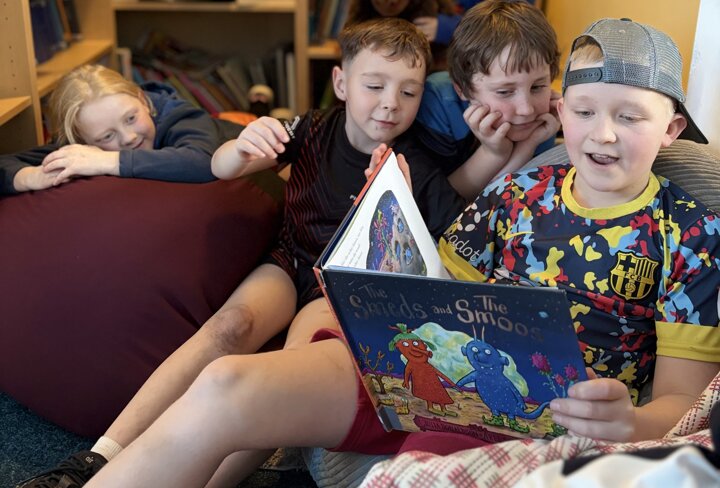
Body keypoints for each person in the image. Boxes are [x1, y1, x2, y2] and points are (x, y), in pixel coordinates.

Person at [73, 18, 718, 487]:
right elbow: (432, 287)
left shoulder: (692, 234)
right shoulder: (519, 190)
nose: (603, 135)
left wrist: (627, 423)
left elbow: (677, 407)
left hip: (547, 425)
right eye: (584, 111)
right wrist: (386, 234)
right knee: (225, 383)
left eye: (630, 117)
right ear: (562, 110)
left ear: (671, 128)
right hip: (419, 379)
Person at [17, 17, 466, 488]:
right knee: (228, 326)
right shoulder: (312, 126)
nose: (390, 103)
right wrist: (243, 145)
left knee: (283, 380)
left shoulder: (419, 166)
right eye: (374, 86)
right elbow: (222, 167)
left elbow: (445, 260)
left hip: (335, 287)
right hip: (290, 260)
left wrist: (400, 203)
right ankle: (98, 458)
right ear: (341, 83)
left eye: (409, 92)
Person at [0, 64, 240, 195]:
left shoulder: (178, 116)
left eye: (131, 118)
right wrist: (31, 177)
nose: (129, 137)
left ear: (142, 100)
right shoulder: (79, 144)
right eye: (107, 136)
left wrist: (107, 160)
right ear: (82, 141)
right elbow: (5, 163)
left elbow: (204, 162)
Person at [416, 0, 561, 200]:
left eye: (537, 87)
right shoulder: (437, 103)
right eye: (504, 92)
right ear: (463, 89)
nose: (526, 109)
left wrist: (528, 145)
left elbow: (506, 201)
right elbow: (438, 206)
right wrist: (493, 154)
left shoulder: (543, 119)